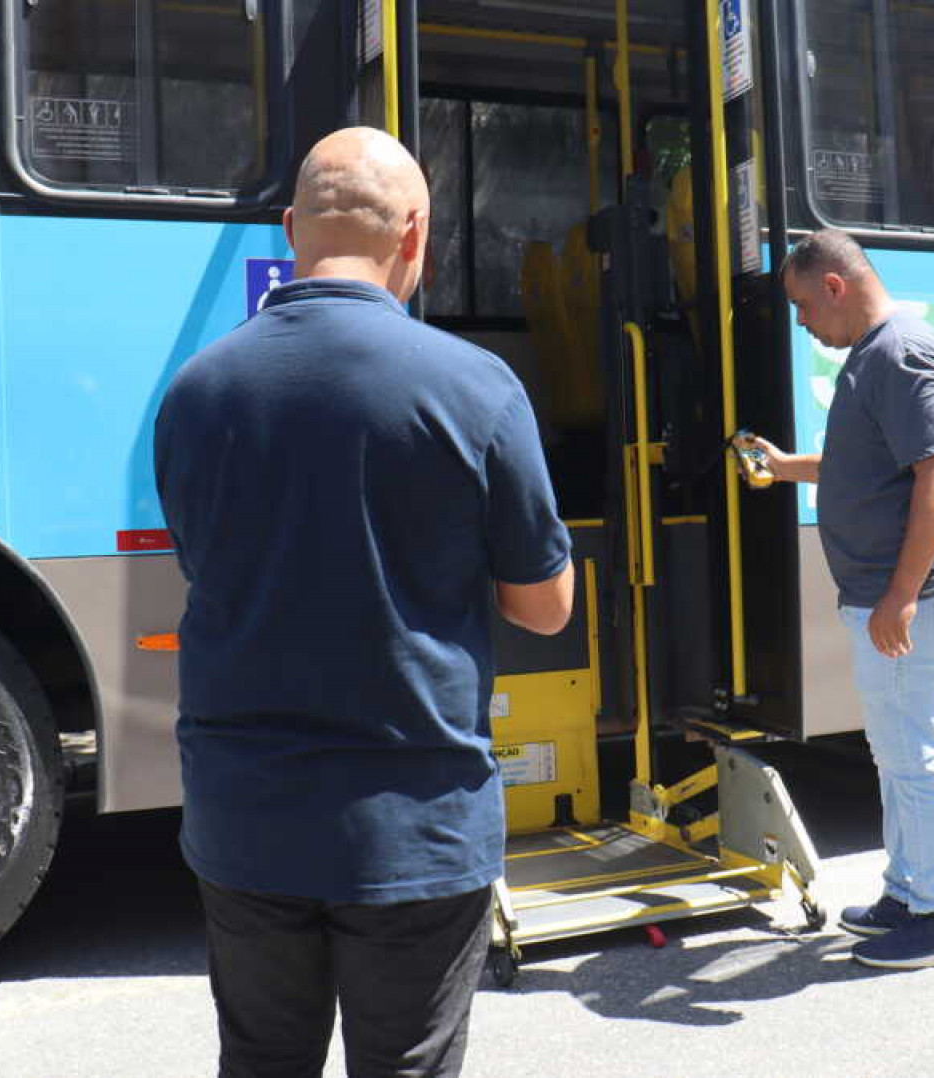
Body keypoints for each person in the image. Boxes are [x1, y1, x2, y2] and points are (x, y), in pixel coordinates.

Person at [153, 127, 574, 1077]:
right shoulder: (476, 388)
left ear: (292, 226)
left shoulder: (195, 390)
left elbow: (206, 564)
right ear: (416, 235)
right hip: (413, 825)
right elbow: (544, 608)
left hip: (244, 816)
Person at [740, 229, 934, 970]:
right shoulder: (872, 356)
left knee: (913, 753)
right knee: (895, 752)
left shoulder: (902, 355)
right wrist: (786, 468)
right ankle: (906, 892)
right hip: (889, 589)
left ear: (835, 287)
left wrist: (901, 597)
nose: (800, 323)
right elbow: (866, 466)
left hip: (917, 591)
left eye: (801, 305)